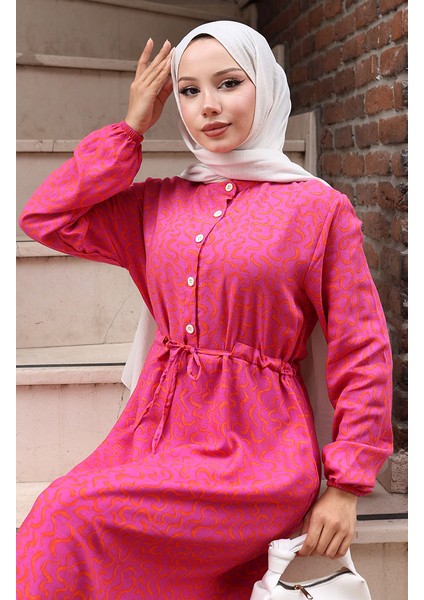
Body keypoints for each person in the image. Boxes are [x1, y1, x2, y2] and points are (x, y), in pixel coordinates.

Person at [16, 20, 393, 599]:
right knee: (58, 518)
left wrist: (346, 485)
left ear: (266, 87)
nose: (208, 106)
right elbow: (46, 217)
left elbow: (361, 347)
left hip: (258, 455)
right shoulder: (157, 204)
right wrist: (130, 128)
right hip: (153, 433)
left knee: (69, 515)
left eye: (229, 83)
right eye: (189, 91)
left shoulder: (319, 210)